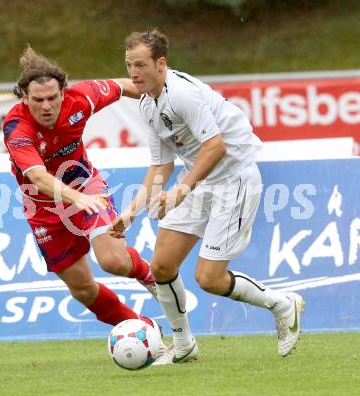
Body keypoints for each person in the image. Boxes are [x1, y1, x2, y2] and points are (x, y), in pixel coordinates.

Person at [109, 29, 305, 364]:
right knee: (162, 265)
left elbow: (216, 147)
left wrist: (181, 192)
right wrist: (131, 213)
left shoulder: (183, 94)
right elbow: (161, 165)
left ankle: (282, 304)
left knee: (209, 279)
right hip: (199, 178)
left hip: (235, 178)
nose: (133, 73)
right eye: (129, 65)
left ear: (161, 63)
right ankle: (183, 344)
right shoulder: (147, 104)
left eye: (140, 64)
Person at [2, 46, 160, 332]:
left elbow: (124, 86)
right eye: (38, 100)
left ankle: (151, 277)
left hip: (87, 186)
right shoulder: (16, 126)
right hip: (44, 208)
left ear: (64, 92)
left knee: (113, 260)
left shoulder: (82, 97)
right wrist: (76, 198)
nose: (47, 106)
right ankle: (143, 329)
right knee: (83, 290)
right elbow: (37, 176)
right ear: (24, 98)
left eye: (53, 98)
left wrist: (165, 99)